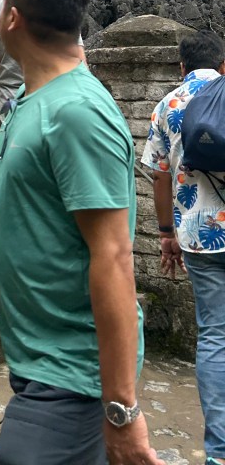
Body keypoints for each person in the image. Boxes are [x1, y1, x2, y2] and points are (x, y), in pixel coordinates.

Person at [0, 0, 161, 465]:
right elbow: (11, 200)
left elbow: (114, 256)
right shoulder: (29, 98)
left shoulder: (78, 113)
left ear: (11, 19)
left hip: (75, 367)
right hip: (39, 355)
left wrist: (121, 410)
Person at [141, 30, 225, 465]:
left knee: (215, 336)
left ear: (181, 66)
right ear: (222, 65)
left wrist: (165, 234)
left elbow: (158, 176)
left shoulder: (167, 105)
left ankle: (219, 452)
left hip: (197, 235)